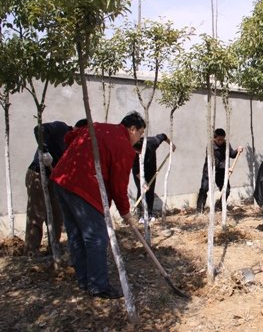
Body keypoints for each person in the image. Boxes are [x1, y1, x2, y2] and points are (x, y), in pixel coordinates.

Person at [51, 112, 145, 299]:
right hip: (84, 188)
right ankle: (98, 286)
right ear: (132, 129)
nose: (139, 138)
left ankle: (84, 280)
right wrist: (126, 213)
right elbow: (119, 186)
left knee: (76, 233)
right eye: (140, 134)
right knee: (96, 238)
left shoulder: (98, 127)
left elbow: (70, 137)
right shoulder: (123, 147)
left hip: (61, 179)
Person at [24, 119, 87, 256]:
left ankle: (54, 246)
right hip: (37, 174)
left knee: (57, 213)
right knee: (37, 212)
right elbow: (38, 129)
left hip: (54, 178)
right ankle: (32, 250)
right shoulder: (61, 128)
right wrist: (44, 150)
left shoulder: (75, 145)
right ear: (78, 129)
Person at [196, 128, 243, 213]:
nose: (221, 141)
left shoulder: (226, 144)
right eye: (219, 140)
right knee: (204, 189)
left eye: (222, 139)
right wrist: (227, 168)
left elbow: (231, 154)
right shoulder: (210, 146)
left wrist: (237, 150)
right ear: (214, 138)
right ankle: (200, 209)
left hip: (221, 172)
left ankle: (220, 205)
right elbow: (214, 161)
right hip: (209, 170)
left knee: (227, 190)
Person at [132, 133, 174, 222]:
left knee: (150, 191)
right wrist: (143, 181)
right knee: (142, 190)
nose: (138, 153)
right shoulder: (131, 151)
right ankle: (141, 214)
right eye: (136, 152)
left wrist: (171, 145)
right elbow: (135, 169)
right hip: (138, 172)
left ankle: (149, 213)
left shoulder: (152, 143)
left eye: (139, 151)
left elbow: (163, 136)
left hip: (151, 170)